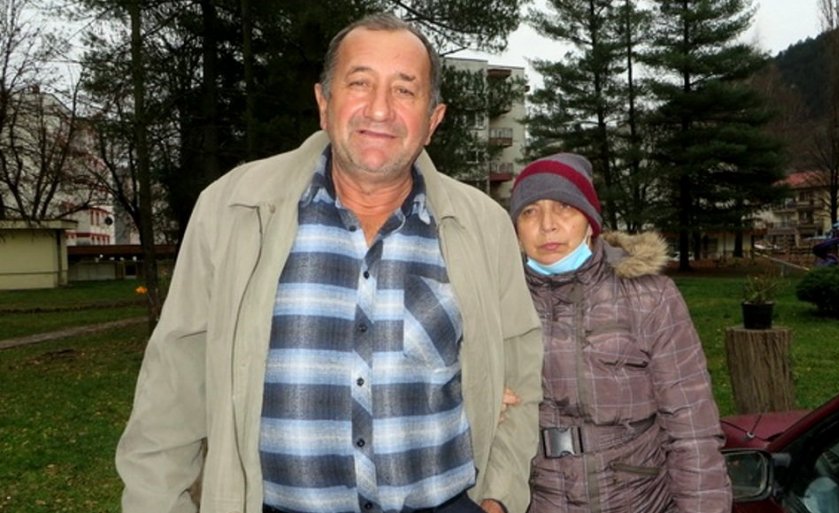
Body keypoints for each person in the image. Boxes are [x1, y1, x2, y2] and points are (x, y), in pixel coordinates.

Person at [115, 13, 543, 513]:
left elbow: (521, 375)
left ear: (433, 120)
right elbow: (173, 388)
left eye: (405, 90)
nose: (379, 109)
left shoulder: (484, 227)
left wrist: (498, 497)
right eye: (360, 83)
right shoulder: (234, 210)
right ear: (324, 103)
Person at [507, 153, 732, 513]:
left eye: (565, 207)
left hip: (640, 501)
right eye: (530, 211)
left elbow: (692, 427)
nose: (547, 225)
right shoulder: (497, 302)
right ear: (516, 230)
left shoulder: (649, 296)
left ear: (590, 221)